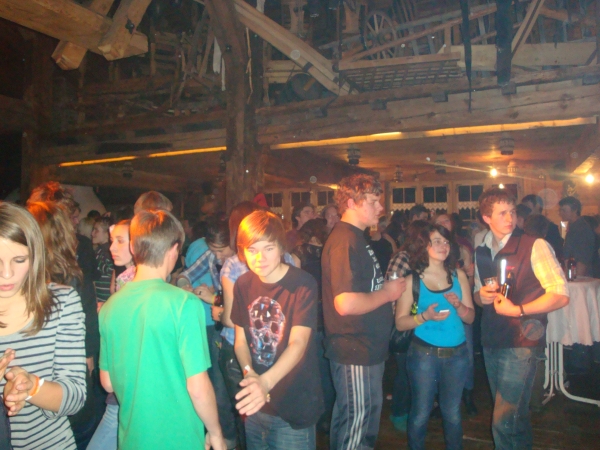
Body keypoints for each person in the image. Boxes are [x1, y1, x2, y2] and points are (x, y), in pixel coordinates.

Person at [98, 209, 226, 450]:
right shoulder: (184, 304)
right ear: (174, 251)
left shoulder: (109, 307)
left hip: (132, 438)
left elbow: (107, 383)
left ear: (133, 248)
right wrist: (216, 432)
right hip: (180, 438)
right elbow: (198, 387)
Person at [474, 187, 569, 449]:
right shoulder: (481, 250)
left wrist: (518, 310)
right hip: (492, 338)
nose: (510, 218)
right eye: (502, 213)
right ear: (486, 218)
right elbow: (477, 295)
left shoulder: (534, 245)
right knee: (514, 418)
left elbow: (561, 295)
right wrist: (480, 296)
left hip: (522, 341)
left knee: (505, 421)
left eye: (512, 212)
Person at [321, 174, 406, 450]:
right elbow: (345, 303)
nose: (380, 207)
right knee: (358, 427)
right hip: (355, 348)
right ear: (351, 203)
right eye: (373, 201)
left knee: (356, 422)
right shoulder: (345, 241)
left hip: (365, 348)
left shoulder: (356, 237)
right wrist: (388, 294)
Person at [231, 210, 324, 448]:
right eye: (252, 249)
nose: (259, 258)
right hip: (256, 405)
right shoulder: (242, 284)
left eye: (268, 248)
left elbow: (298, 343)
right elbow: (240, 341)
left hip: (293, 406)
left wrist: (264, 383)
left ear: (281, 247)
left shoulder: (303, 284)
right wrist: (250, 374)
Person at [0, 202, 86, 449]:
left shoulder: (61, 303)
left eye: (19, 260)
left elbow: (75, 397)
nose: (7, 274)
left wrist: (31, 387)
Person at [27, 201, 103, 448]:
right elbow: (88, 323)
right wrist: (89, 358)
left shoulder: (25, 277)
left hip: (33, 382)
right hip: (64, 383)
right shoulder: (72, 275)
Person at [395, 223, 475, 450]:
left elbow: (470, 318)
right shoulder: (412, 280)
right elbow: (400, 322)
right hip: (423, 355)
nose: (443, 246)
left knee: (452, 413)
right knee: (421, 412)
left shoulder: (459, 276)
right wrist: (424, 316)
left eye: (446, 241)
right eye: (437, 241)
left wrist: (459, 306)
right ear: (424, 245)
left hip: (457, 355)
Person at [175, 220, 241, 450]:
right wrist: (184, 286)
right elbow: (185, 274)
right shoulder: (212, 256)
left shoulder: (243, 262)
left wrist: (214, 298)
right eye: (214, 251)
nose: (218, 257)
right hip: (221, 332)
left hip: (238, 333)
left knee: (236, 394)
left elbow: (240, 305)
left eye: (221, 251)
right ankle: (227, 440)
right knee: (220, 392)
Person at [87, 220, 135, 450]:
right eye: (111, 241)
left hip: (124, 380)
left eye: (120, 241)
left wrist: (104, 312)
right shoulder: (125, 275)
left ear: (138, 245)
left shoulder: (134, 280)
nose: (112, 247)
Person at [291, 218, 335, 433]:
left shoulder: (298, 253)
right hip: (329, 316)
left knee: (310, 368)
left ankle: (315, 416)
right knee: (327, 370)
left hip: (308, 316)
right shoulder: (331, 251)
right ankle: (327, 417)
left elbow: (295, 289)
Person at [386, 220, 430, 432]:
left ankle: (414, 411)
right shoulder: (402, 258)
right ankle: (398, 413)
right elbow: (391, 292)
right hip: (404, 323)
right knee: (405, 372)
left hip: (420, 322)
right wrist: (402, 317)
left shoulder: (424, 259)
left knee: (416, 372)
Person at [559, 196, 595, 276]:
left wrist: (576, 279)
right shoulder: (574, 227)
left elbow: (582, 259)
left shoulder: (581, 230)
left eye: (564, 210)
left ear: (575, 210)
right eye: (560, 210)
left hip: (579, 276)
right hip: (573, 274)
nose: (560, 213)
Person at [521, 194, 563, 260]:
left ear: (537, 206)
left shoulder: (551, 227)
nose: (525, 210)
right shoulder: (522, 225)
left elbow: (556, 250)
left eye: (527, 207)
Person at [92, 216, 114, 306]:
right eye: (93, 230)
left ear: (107, 234)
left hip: (108, 300)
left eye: (96, 230)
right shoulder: (99, 250)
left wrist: (95, 263)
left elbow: (111, 270)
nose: (92, 233)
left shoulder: (109, 251)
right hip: (101, 299)